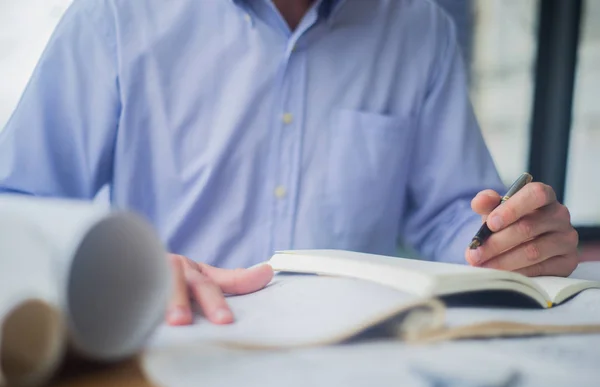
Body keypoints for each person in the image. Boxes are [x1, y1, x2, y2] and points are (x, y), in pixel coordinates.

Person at [0, 0, 579, 326]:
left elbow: (451, 217)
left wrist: (511, 242)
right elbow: (17, 209)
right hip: (169, 336)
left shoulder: (418, 27)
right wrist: (121, 268)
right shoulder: (116, 15)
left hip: (361, 361)